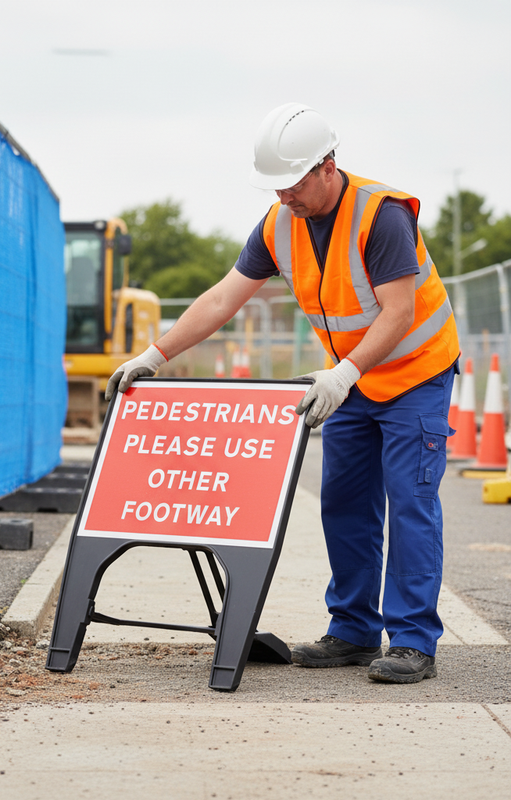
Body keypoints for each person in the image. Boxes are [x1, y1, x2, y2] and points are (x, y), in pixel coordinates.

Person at [105, 102, 459, 685]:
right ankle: (353, 630)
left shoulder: (382, 215)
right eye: (275, 185)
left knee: (410, 503)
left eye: (293, 183)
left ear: (328, 166)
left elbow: (398, 313)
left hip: (415, 376)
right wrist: (154, 355)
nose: (284, 195)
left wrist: (343, 374)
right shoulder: (278, 224)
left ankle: (413, 641)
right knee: (344, 504)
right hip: (350, 380)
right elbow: (223, 298)